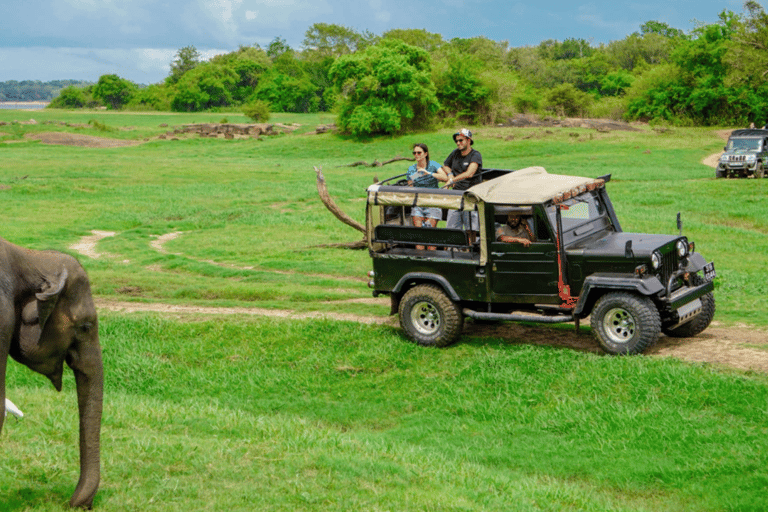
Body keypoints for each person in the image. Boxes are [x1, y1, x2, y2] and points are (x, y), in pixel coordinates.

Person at [436, 128, 483, 231]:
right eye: (456, 141)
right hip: (456, 196)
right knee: (451, 228)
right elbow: (446, 165)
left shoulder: (475, 155)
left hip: (471, 197)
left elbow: (469, 173)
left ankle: (471, 247)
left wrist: (452, 181)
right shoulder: (455, 153)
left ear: (468, 140)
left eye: (461, 140)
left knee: (472, 230)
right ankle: (454, 247)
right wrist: (450, 175)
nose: (458, 143)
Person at [406, 143, 442, 249]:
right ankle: (420, 261)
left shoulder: (433, 165)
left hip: (432, 202)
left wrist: (428, 173)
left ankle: (431, 261)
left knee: (430, 235)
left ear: (425, 154)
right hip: (418, 203)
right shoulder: (412, 169)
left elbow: (444, 176)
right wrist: (418, 174)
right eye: (414, 153)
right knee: (419, 236)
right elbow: (410, 184)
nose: (416, 155)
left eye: (419, 152)